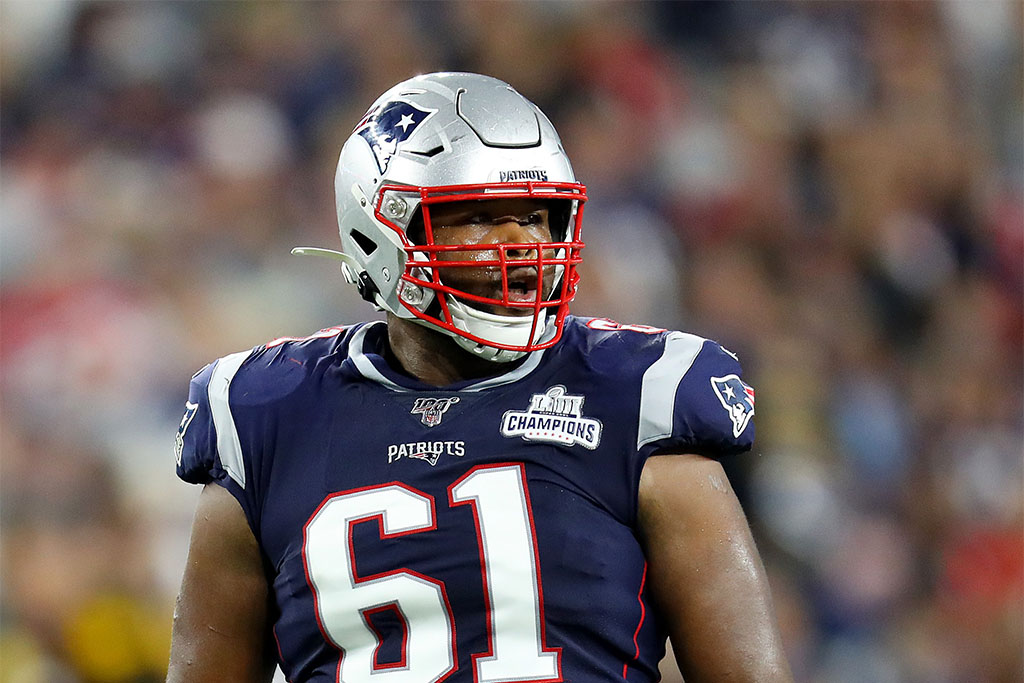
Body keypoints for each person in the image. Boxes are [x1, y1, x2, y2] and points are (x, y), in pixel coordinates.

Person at [167, 72, 792, 683]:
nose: (523, 244)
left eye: (540, 217)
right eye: (480, 217)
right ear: (381, 231)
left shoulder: (641, 396)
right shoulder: (263, 416)